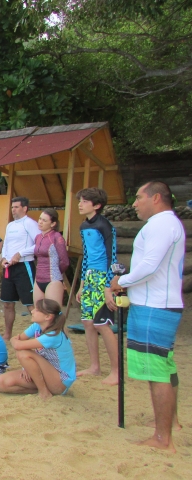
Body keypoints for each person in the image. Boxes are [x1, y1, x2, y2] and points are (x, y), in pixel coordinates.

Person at [111, 181, 185, 453]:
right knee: (165, 365)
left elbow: (149, 266)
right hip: (158, 303)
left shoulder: (162, 224)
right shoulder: (166, 224)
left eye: (138, 197)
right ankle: (172, 422)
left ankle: (162, 438)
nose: (134, 203)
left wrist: (120, 281)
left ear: (155, 198)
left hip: (155, 306)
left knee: (157, 372)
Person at [75, 188, 119, 385]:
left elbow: (112, 256)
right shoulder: (84, 226)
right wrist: (82, 284)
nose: (80, 204)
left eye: (84, 201)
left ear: (97, 205)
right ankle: (95, 366)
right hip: (90, 278)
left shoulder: (105, 225)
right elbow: (86, 256)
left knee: (102, 324)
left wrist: (110, 285)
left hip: (103, 277)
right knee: (87, 322)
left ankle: (116, 371)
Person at [0, 299, 76, 399]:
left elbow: (18, 345)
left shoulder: (53, 336)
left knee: (23, 353)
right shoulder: (37, 326)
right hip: (44, 372)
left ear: (48, 317)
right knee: (1, 382)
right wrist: (26, 367)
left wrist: (15, 341)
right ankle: (42, 389)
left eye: (37, 310)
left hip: (60, 381)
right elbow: (17, 339)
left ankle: (44, 392)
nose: (32, 311)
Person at [0, 197, 42, 340]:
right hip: (8, 267)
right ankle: (7, 333)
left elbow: (39, 244)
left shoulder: (30, 224)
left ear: (25, 208)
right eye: (12, 207)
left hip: (24, 266)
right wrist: (5, 257)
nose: (13, 210)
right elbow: (6, 244)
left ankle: (41, 332)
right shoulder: (10, 225)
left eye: (17, 207)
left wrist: (20, 254)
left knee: (31, 303)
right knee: (7, 303)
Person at [33, 208, 70, 306]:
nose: (40, 222)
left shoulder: (57, 237)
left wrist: (57, 273)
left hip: (53, 279)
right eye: (40, 219)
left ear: (53, 224)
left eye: (44, 220)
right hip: (38, 279)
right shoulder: (38, 237)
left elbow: (65, 261)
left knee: (52, 312)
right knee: (38, 311)